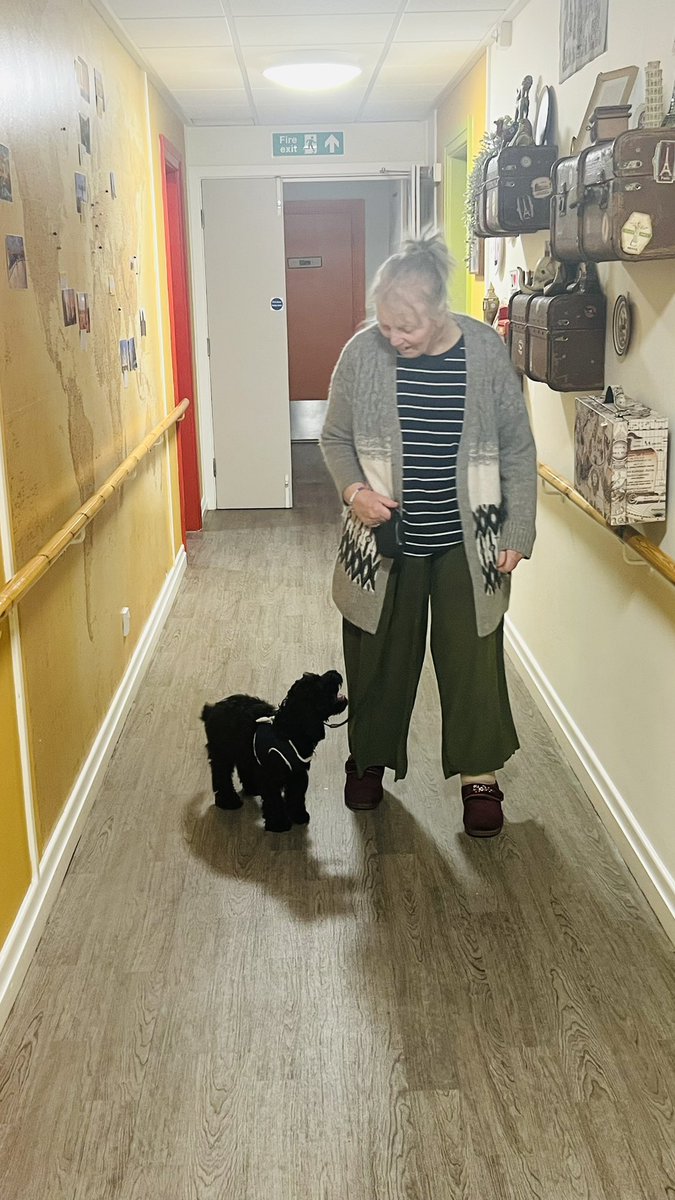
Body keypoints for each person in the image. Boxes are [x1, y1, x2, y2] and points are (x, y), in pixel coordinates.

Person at [320, 232, 537, 837]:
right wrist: (353, 493)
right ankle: (368, 760)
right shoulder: (362, 354)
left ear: (440, 309)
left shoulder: (487, 352)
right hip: (384, 539)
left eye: (407, 327)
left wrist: (519, 528)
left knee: (472, 657)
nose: (394, 338)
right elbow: (334, 438)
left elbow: (517, 446)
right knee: (378, 656)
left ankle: (480, 778)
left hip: (470, 542)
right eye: (386, 324)